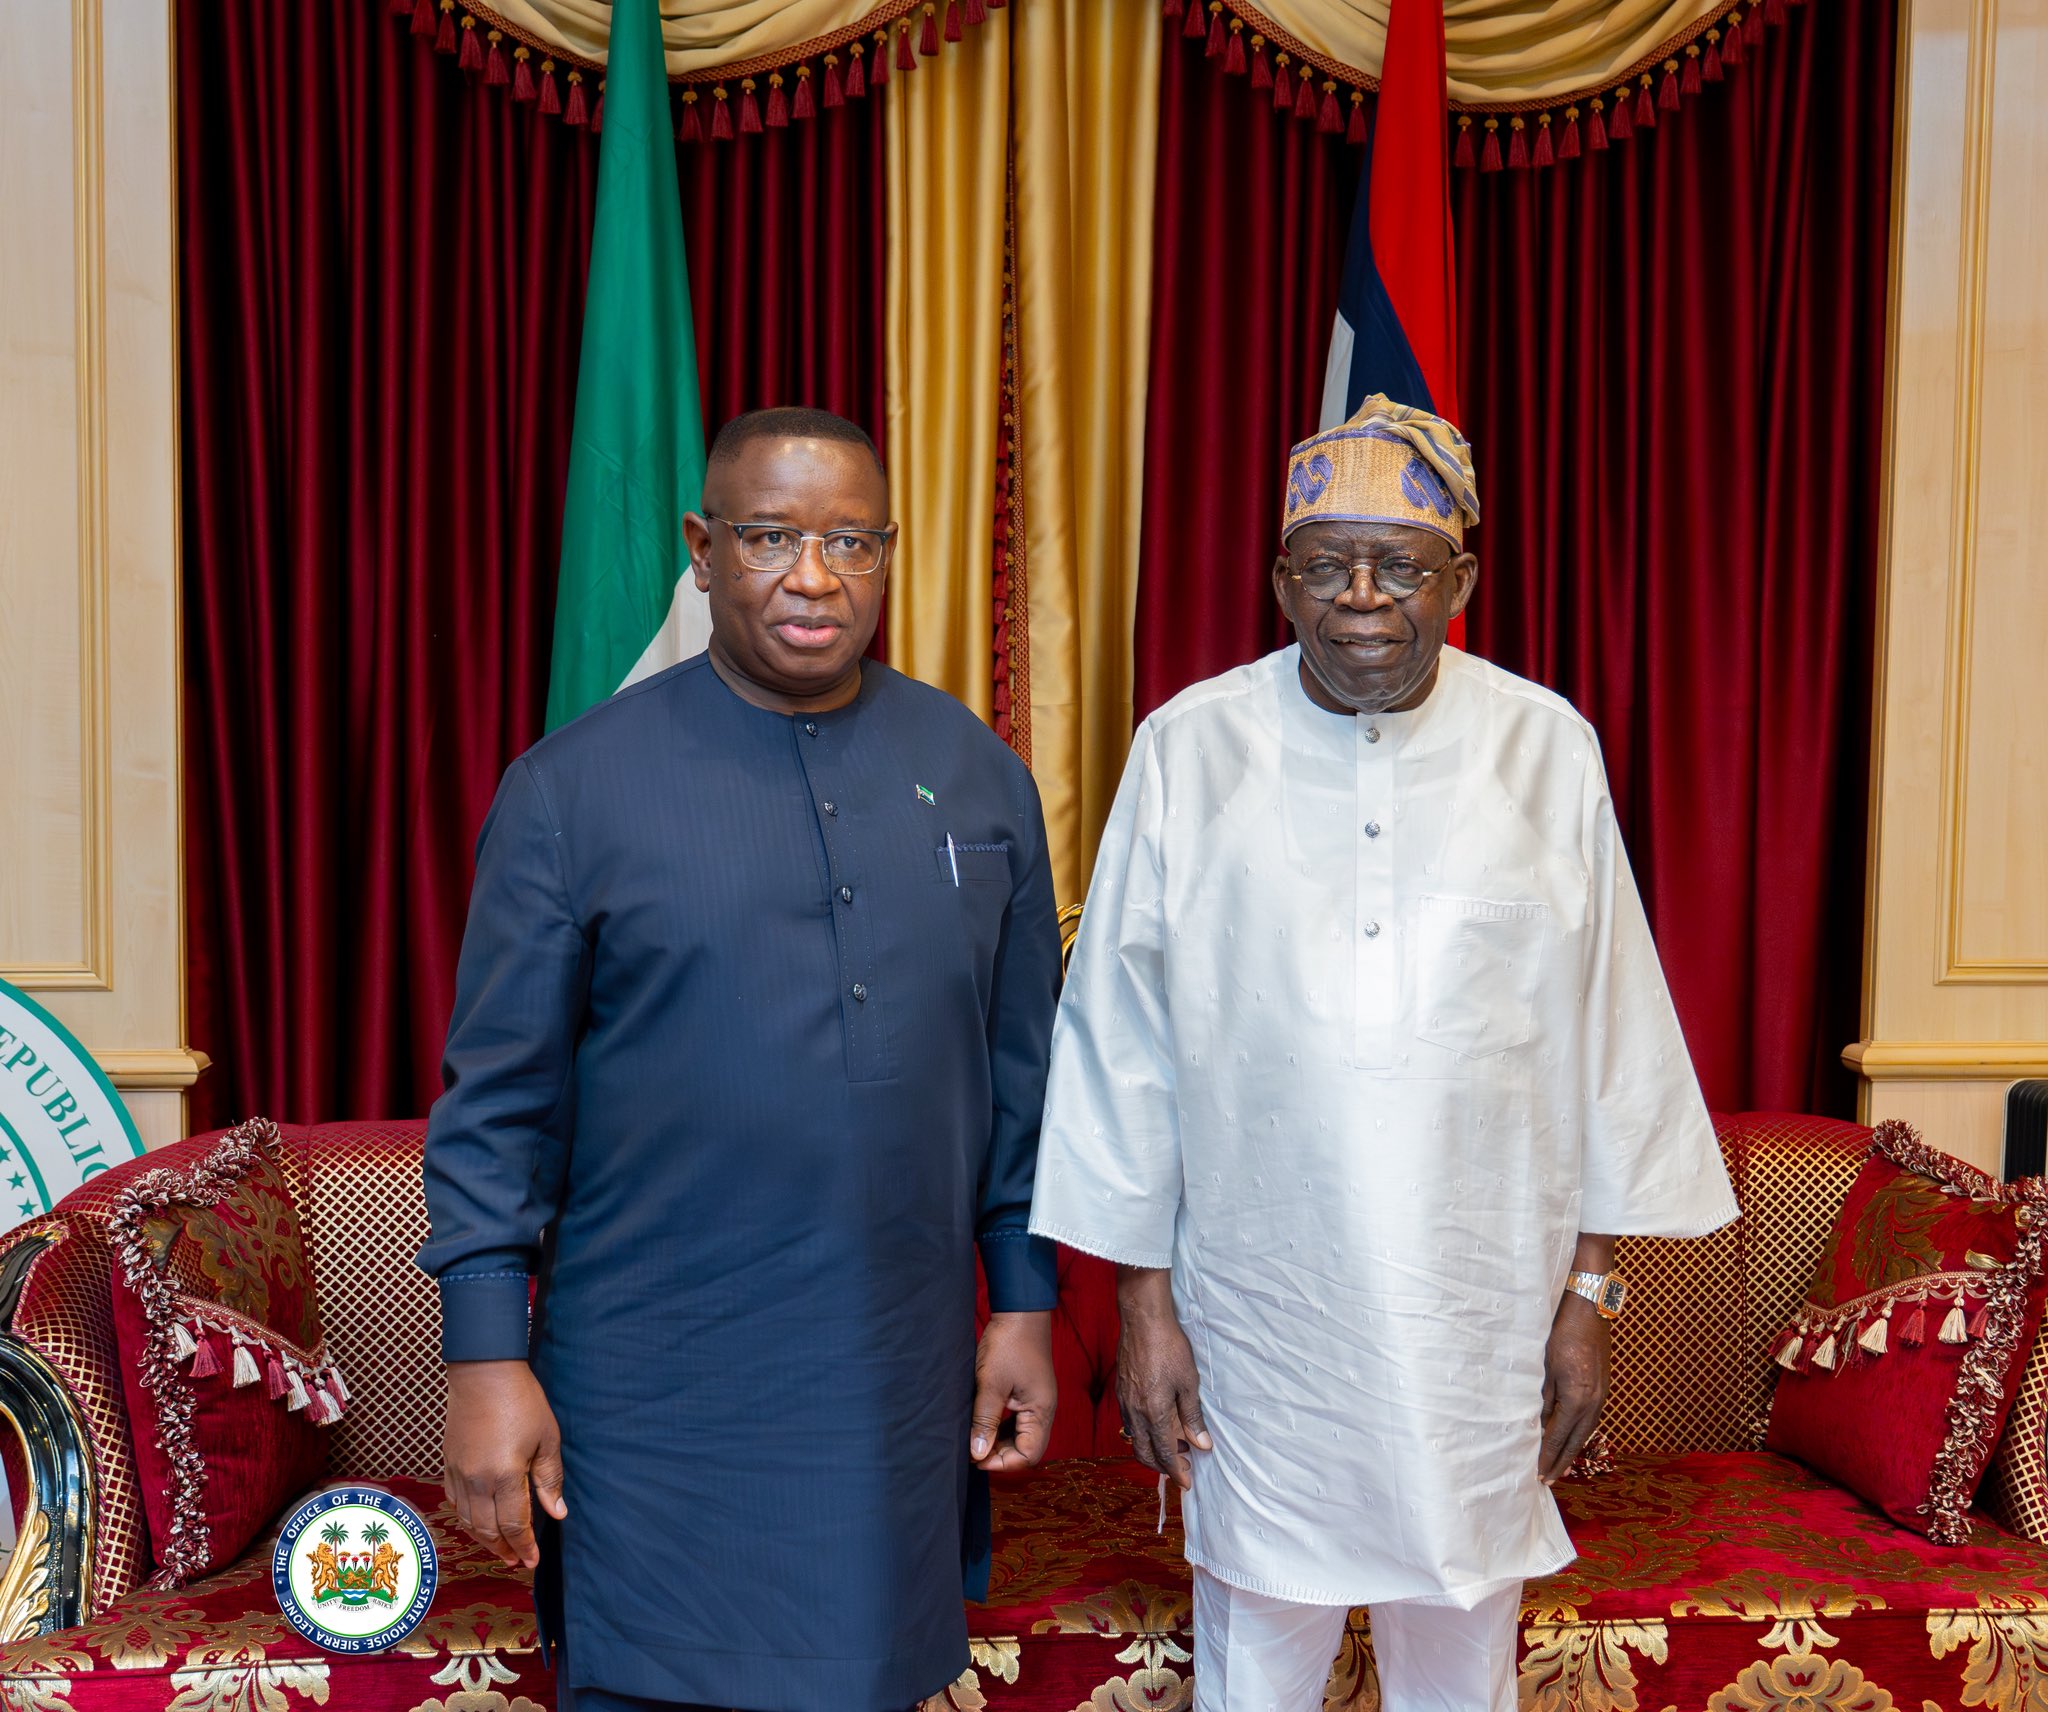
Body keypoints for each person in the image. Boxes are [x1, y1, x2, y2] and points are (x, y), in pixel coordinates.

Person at [1028, 395, 1739, 1712]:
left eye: (1401, 566)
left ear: (1462, 578)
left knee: (1462, 1658)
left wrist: (1591, 1301)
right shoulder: (1189, 750)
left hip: (1480, 1319)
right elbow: (1123, 1047)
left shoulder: (1544, 748)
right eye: (1322, 564)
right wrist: (1139, 1310)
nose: (1360, 597)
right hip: (1261, 1324)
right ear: (1278, 578)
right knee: (1258, 1661)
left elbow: (1608, 1037)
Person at [420, 407, 1062, 1712]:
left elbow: (1025, 1082)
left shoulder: (979, 777)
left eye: (850, 542)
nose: (813, 577)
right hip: (655, 1393)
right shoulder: (569, 791)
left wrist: (1026, 1298)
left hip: (894, 1378)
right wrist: (486, 1359)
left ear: (889, 554)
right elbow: (497, 1111)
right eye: (772, 537)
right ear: (703, 549)